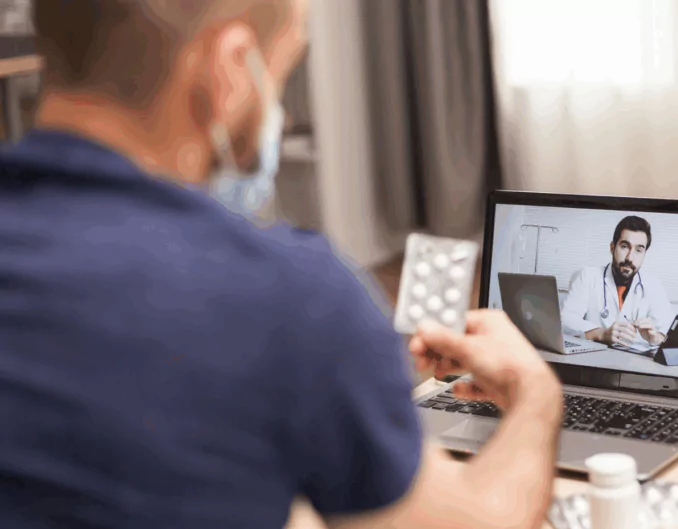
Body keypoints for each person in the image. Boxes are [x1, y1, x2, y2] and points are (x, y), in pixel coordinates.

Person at [0, 2, 562, 529]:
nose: (281, 112)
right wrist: (535, 394)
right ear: (229, 68)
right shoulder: (289, 300)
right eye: (280, 75)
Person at [561, 216, 676, 350]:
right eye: (625, 247)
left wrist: (655, 338)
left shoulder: (653, 285)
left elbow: (669, 332)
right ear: (612, 247)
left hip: (633, 361)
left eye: (639, 250)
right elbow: (565, 321)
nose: (630, 258)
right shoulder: (587, 276)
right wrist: (602, 334)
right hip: (592, 359)